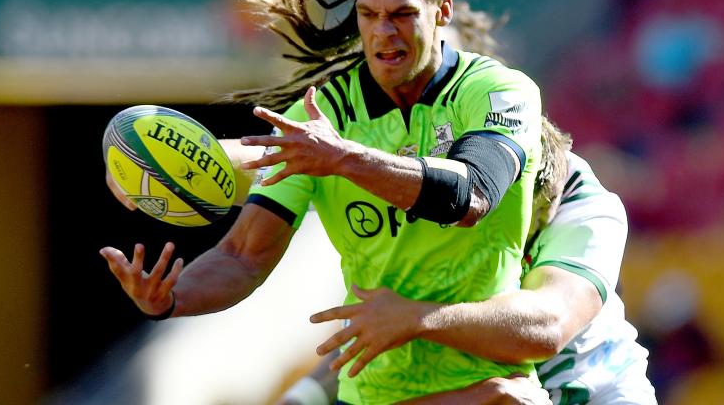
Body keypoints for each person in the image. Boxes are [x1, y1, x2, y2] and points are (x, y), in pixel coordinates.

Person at [99, 0, 545, 403]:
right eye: (369, 14)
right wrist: (172, 300)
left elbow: (470, 195)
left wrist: (343, 159)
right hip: (373, 390)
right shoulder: (319, 114)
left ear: (443, 11)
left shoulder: (499, 92)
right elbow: (243, 256)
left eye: (402, 14)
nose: (382, 32)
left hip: (483, 386)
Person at [277, 121, 656, 404]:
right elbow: (370, 354)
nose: (519, 243)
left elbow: (548, 327)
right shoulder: (429, 215)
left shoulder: (588, 205)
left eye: (533, 224)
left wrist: (415, 319)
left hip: (602, 393)